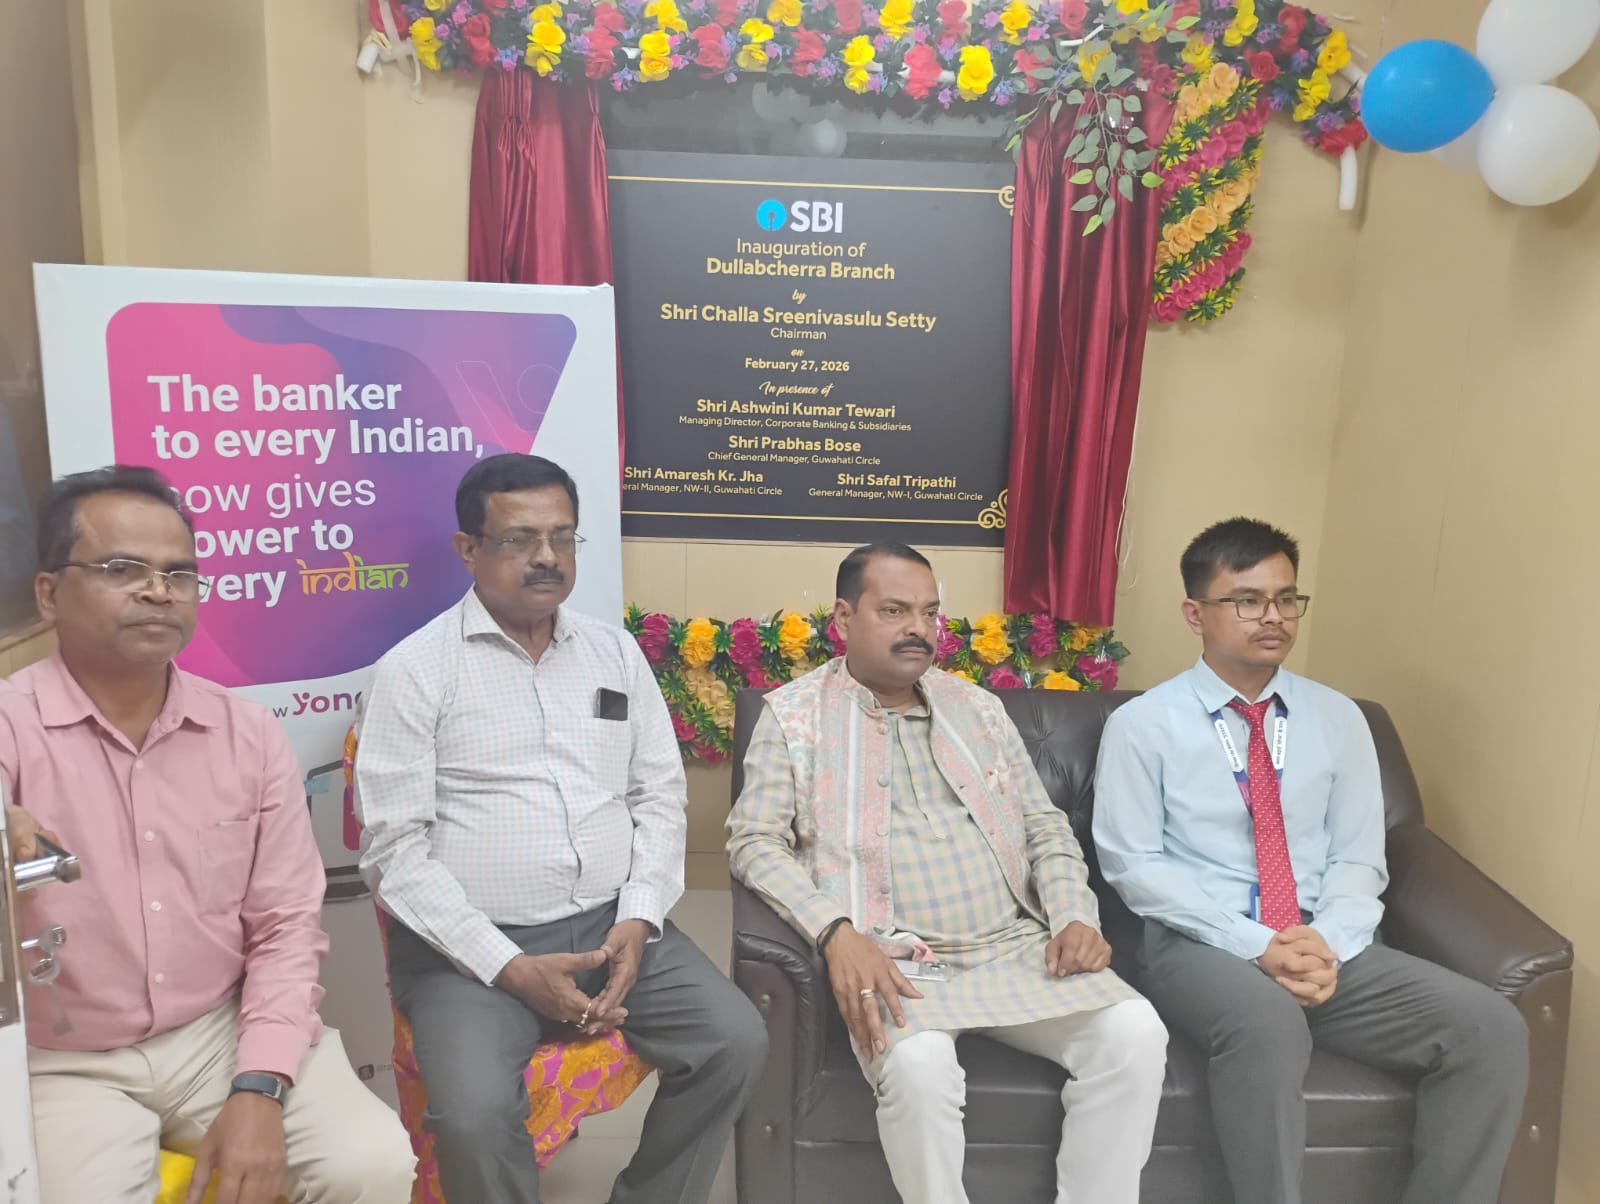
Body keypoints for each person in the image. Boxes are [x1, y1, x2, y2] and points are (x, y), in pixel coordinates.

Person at [355, 453, 766, 1204]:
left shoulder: (615, 653)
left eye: (562, 537)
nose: (546, 556)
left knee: (734, 1041)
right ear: (468, 549)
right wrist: (509, 966)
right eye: (518, 539)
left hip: (615, 928)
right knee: (475, 1118)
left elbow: (658, 795)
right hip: (469, 952)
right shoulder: (413, 671)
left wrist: (639, 917)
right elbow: (394, 854)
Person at [0, 465, 413, 1204]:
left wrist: (259, 1084)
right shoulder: (10, 724)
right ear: (49, 593)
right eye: (122, 569)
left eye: (179, 574)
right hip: (64, 1059)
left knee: (372, 1165)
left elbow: (285, 926)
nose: (158, 592)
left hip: (219, 1028)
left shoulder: (245, 734)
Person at [1092, 517, 1529, 1204]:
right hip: (1201, 943)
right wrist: (1259, 945)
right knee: (1266, 1023)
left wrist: (1324, 942)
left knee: (1490, 1028)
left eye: (1286, 598)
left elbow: (1360, 856)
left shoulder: (1339, 718)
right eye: (1247, 600)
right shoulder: (1143, 724)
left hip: (1327, 944)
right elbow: (1134, 865)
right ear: (1195, 614)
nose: (1272, 616)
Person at [726, 541, 1168, 1204]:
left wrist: (1074, 915)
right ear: (844, 619)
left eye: (930, 613)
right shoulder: (793, 717)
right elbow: (755, 841)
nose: (919, 629)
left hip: (1016, 948)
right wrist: (836, 933)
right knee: (918, 1066)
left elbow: (1044, 826)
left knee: (1136, 1033)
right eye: (895, 610)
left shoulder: (978, 709)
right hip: (895, 959)